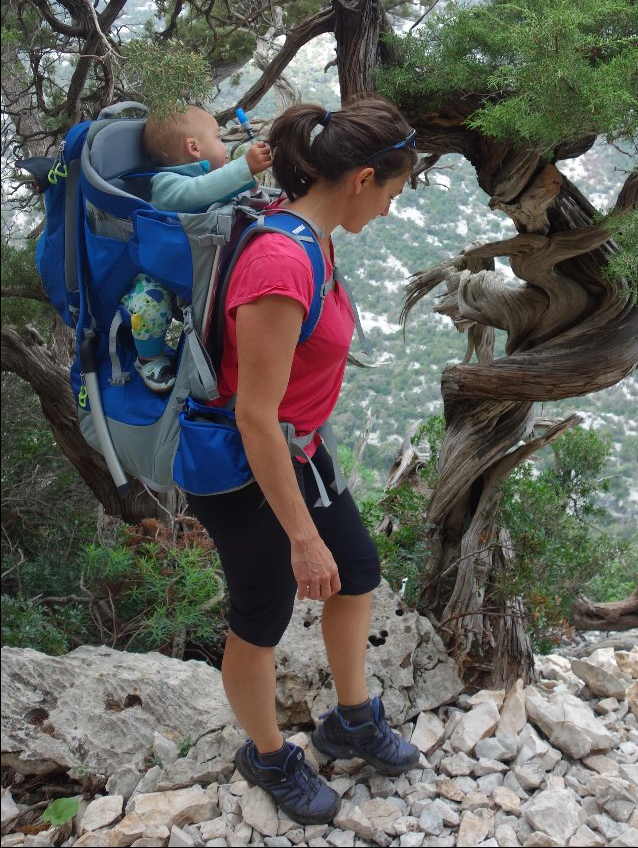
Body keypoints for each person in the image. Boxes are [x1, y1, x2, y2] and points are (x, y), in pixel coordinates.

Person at [186, 97, 421, 826]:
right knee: (262, 615)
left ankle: (351, 717)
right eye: (389, 192)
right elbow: (253, 415)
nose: (386, 210)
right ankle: (264, 753)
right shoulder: (281, 263)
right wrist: (300, 534)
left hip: (299, 448)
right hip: (240, 466)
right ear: (359, 179)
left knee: (357, 574)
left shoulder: (312, 234)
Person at [121, 105, 272, 392]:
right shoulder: (165, 184)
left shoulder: (213, 179)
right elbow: (196, 194)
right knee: (150, 305)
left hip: (197, 271)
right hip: (160, 276)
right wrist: (242, 168)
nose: (224, 144)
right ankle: (149, 356)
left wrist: (251, 188)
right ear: (193, 147)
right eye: (217, 137)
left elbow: (230, 196)